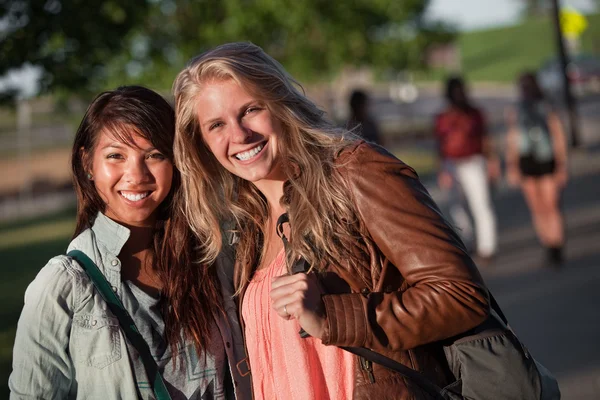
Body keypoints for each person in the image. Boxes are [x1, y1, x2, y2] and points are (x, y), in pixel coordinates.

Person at [172, 42, 490, 400]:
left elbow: (461, 295)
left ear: (280, 104)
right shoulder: (244, 228)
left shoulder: (355, 172)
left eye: (251, 110)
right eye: (216, 125)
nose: (239, 134)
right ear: (200, 143)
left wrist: (332, 317)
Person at [9, 86, 251, 399]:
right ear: (87, 164)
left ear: (176, 163)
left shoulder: (213, 258)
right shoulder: (63, 286)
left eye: (154, 155)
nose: (135, 175)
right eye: (116, 156)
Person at [505, 72, 568, 266]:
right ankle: (547, 244)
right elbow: (512, 139)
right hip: (526, 159)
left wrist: (562, 164)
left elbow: (558, 135)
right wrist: (511, 165)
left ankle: (557, 243)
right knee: (537, 207)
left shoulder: (546, 107)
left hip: (546, 158)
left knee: (550, 204)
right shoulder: (517, 110)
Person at [434, 76, 498, 264]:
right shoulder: (443, 118)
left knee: (481, 204)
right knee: (455, 206)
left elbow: (485, 138)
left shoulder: (475, 113)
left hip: (473, 161)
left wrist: (492, 161)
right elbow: (440, 145)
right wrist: (442, 169)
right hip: (451, 164)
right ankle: (467, 240)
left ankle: (488, 246)